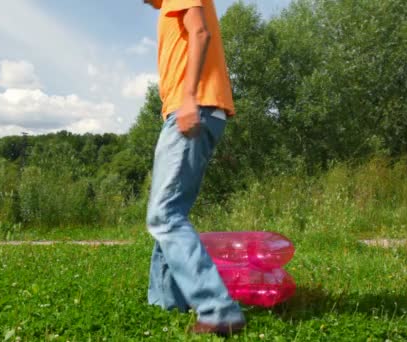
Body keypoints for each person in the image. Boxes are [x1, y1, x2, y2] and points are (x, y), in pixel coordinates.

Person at [143, 0, 246, 336]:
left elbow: (200, 33)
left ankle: (218, 310)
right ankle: (166, 302)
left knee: (165, 214)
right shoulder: (166, 9)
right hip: (185, 110)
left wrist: (188, 98)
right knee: (166, 213)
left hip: (192, 107)